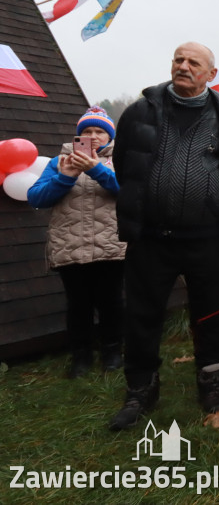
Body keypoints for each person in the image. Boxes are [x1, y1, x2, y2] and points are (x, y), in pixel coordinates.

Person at [109, 42, 219, 430]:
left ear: (210, 74)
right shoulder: (140, 112)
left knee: (211, 315)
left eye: (194, 63)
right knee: (142, 314)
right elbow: (126, 167)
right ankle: (141, 389)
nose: (184, 67)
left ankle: (212, 384)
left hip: (206, 238)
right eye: (178, 60)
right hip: (152, 238)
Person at [27, 106, 126, 378]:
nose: (93, 136)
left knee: (111, 302)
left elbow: (130, 192)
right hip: (69, 244)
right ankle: (81, 357)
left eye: (100, 132)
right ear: (77, 136)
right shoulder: (58, 161)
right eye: (87, 132)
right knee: (78, 304)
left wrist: (97, 170)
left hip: (111, 244)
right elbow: (36, 198)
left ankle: (112, 352)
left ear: (110, 137)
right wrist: (64, 177)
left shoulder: (122, 158)